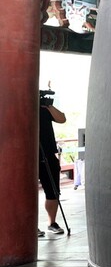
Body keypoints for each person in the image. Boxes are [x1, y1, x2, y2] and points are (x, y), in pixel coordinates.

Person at [39, 100, 67, 235]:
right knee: (26, 193)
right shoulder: (20, 106)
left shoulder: (45, 109)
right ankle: (30, 224)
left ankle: (52, 222)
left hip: (48, 154)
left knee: (53, 191)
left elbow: (62, 119)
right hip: (26, 155)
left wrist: (48, 105)